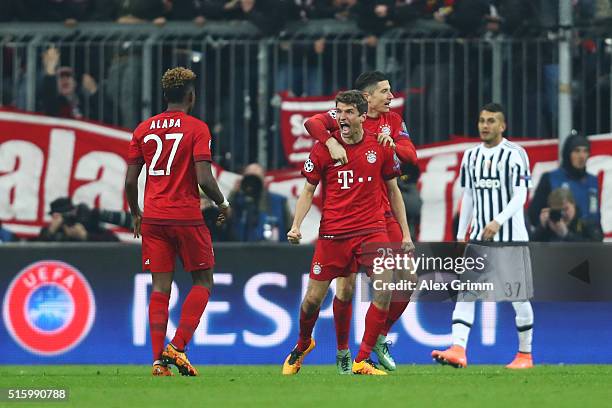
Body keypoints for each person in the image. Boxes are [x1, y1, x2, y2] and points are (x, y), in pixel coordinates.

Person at [281, 90, 413, 376]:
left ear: (363, 117)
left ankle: (362, 359)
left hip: (371, 230)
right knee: (313, 300)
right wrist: (296, 225)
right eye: (339, 112)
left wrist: (405, 234)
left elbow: (393, 190)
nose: (341, 117)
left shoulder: (379, 146)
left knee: (385, 287)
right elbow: (308, 190)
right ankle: (304, 343)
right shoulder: (323, 147)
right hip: (333, 235)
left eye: (348, 112)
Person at [124, 67, 229, 377]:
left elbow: (131, 180)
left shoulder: (144, 129)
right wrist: (223, 202)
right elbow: (204, 178)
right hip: (185, 216)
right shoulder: (197, 128)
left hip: (153, 218)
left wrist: (135, 213)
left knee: (160, 287)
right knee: (203, 281)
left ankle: (158, 362)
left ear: (165, 96)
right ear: (191, 96)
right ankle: (178, 347)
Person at [432, 103, 535, 370]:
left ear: (502, 126)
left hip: (511, 237)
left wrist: (498, 221)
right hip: (479, 238)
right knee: (466, 293)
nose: (485, 125)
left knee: (518, 298)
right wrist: (460, 233)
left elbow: (521, 195)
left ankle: (525, 355)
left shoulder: (515, 154)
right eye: (481, 120)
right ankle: (458, 349)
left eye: (491, 121)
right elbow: (468, 195)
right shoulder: (471, 156)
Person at [528, 133, 601, 230]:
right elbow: (533, 215)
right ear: (568, 153)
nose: (582, 156)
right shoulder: (550, 178)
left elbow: (595, 216)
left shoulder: (593, 181)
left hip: (587, 240)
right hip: (557, 240)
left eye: (585, 151)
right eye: (577, 151)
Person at [228, 163, 291, 242]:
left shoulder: (279, 201)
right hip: (241, 251)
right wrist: (234, 193)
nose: (252, 183)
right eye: (249, 178)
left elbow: (291, 231)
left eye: (256, 178)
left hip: (274, 251)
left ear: (264, 180)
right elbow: (222, 219)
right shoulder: (237, 201)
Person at [532, 188, 604, 242]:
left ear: (573, 204)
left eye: (565, 209)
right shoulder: (549, 224)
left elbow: (596, 248)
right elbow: (531, 248)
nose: (562, 213)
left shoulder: (588, 223)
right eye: (558, 210)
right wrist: (542, 228)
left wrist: (567, 235)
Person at [38, 197, 119, 242]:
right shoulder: (53, 229)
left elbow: (113, 240)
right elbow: (35, 248)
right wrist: (50, 231)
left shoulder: (90, 222)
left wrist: (86, 236)